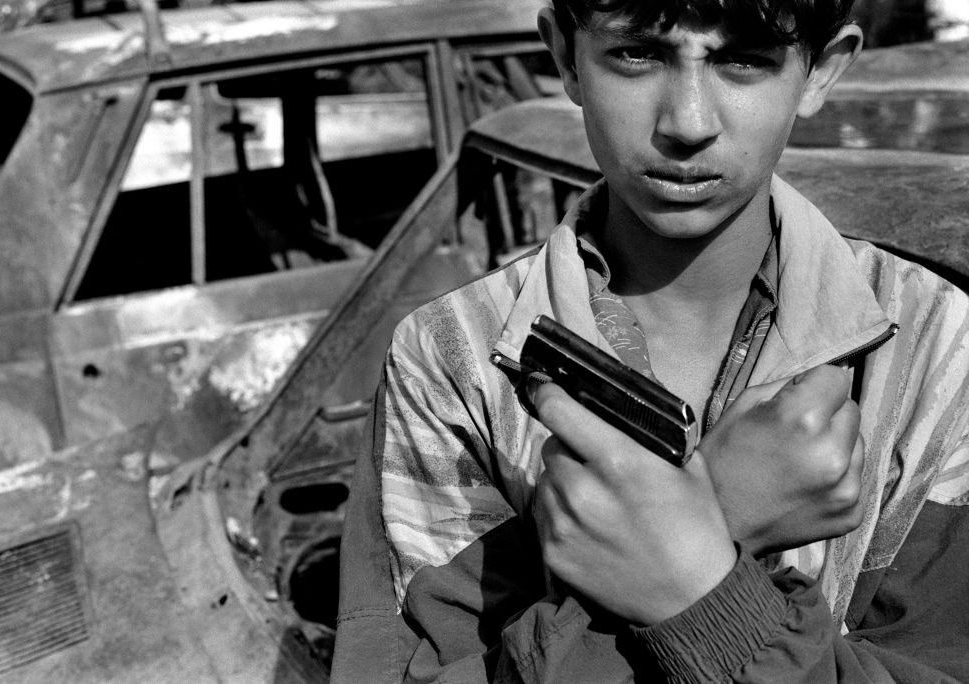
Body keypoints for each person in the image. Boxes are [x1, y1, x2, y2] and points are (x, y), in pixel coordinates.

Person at [331, 1, 969, 681]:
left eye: (743, 59)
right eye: (637, 54)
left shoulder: (934, 347)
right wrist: (719, 521)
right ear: (564, 56)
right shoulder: (455, 362)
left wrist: (681, 576)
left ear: (822, 69)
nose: (687, 123)